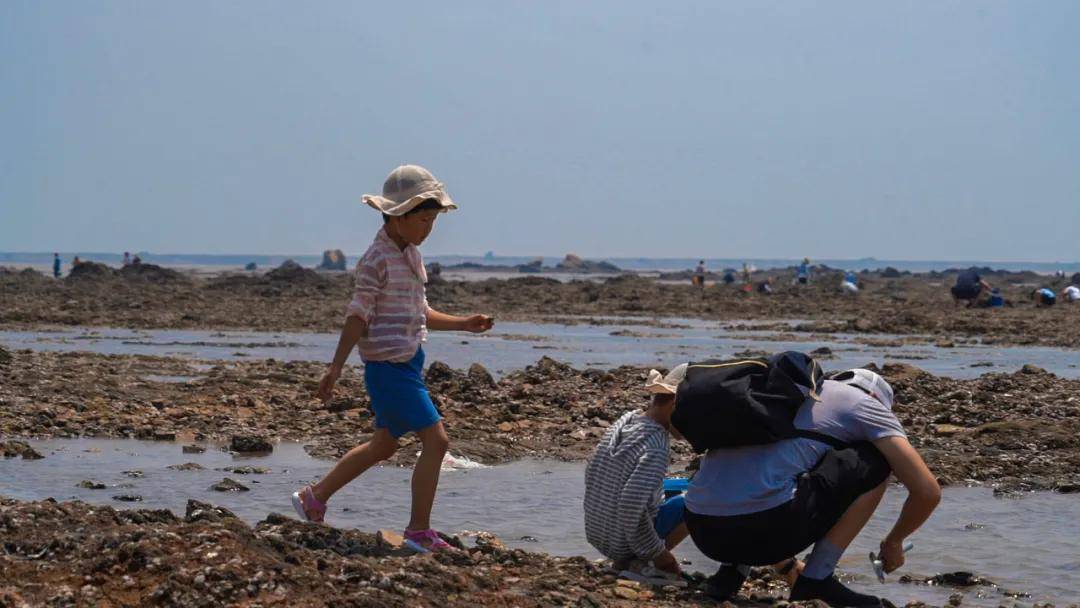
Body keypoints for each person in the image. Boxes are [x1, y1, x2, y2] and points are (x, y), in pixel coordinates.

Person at [292, 165, 494, 553]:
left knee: (383, 446)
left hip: (409, 364)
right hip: (388, 369)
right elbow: (357, 315)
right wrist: (336, 366)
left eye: (433, 220)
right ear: (397, 216)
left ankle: (313, 498)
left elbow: (420, 312)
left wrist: (464, 323)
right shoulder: (376, 259)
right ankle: (419, 532)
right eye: (423, 220)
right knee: (437, 442)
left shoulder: (412, 255)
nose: (428, 228)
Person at [684, 369, 941, 605]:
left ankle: (731, 572)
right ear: (877, 397)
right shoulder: (865, 404)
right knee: (879, 461)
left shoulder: (788, 393)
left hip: (703, 530)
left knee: (771, 466)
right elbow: (927, 492)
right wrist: (894, 542)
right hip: (761, 531)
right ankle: (816, 579)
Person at [584, 364, 690, 586]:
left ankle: (623, 561)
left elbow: (595, 474)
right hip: (622, 542)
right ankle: (641, 563)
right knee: (697, 500)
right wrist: (659, 555)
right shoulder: (656, 445)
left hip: (598, 532)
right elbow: (631, 504)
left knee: (673, 486)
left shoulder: (626, 422)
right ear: (675, 404)